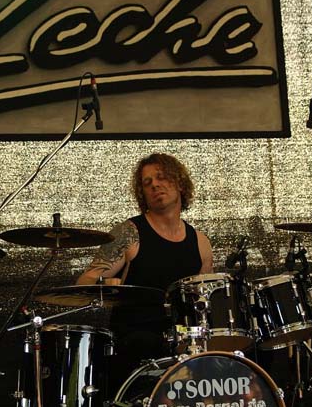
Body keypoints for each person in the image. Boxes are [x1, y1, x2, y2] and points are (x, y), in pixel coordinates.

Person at [76, 153, 213, 386]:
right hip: (134, 344)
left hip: (182, 345)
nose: (155, 185)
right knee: (144, 342)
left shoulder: (200, 242)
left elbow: (205, 302)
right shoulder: (129, 233)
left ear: (180, 184)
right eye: (147, 182)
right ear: (143, 194)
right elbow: (84, 281)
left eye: (162, 177)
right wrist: (104, 285)